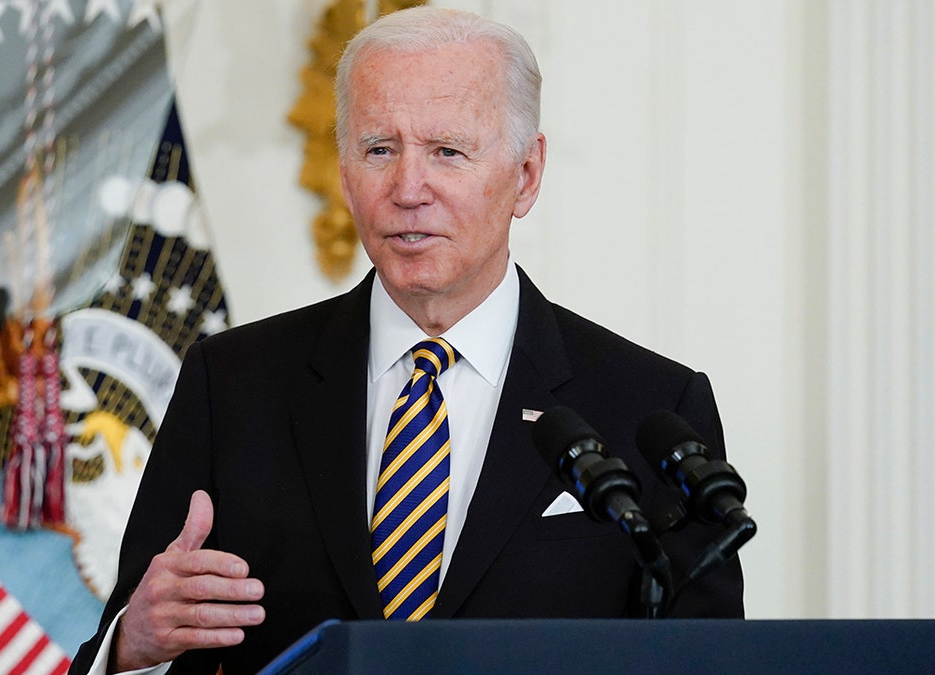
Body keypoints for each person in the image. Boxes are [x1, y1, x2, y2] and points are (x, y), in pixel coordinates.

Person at [70, 7, 742, 674]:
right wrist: (133, 647)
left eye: (447, 151)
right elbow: (138, 635)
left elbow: (713, 662)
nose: (407, 189)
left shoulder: (652, 406)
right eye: (379, 150)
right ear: (345, 169)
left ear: (526, 175)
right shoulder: (234, 383)